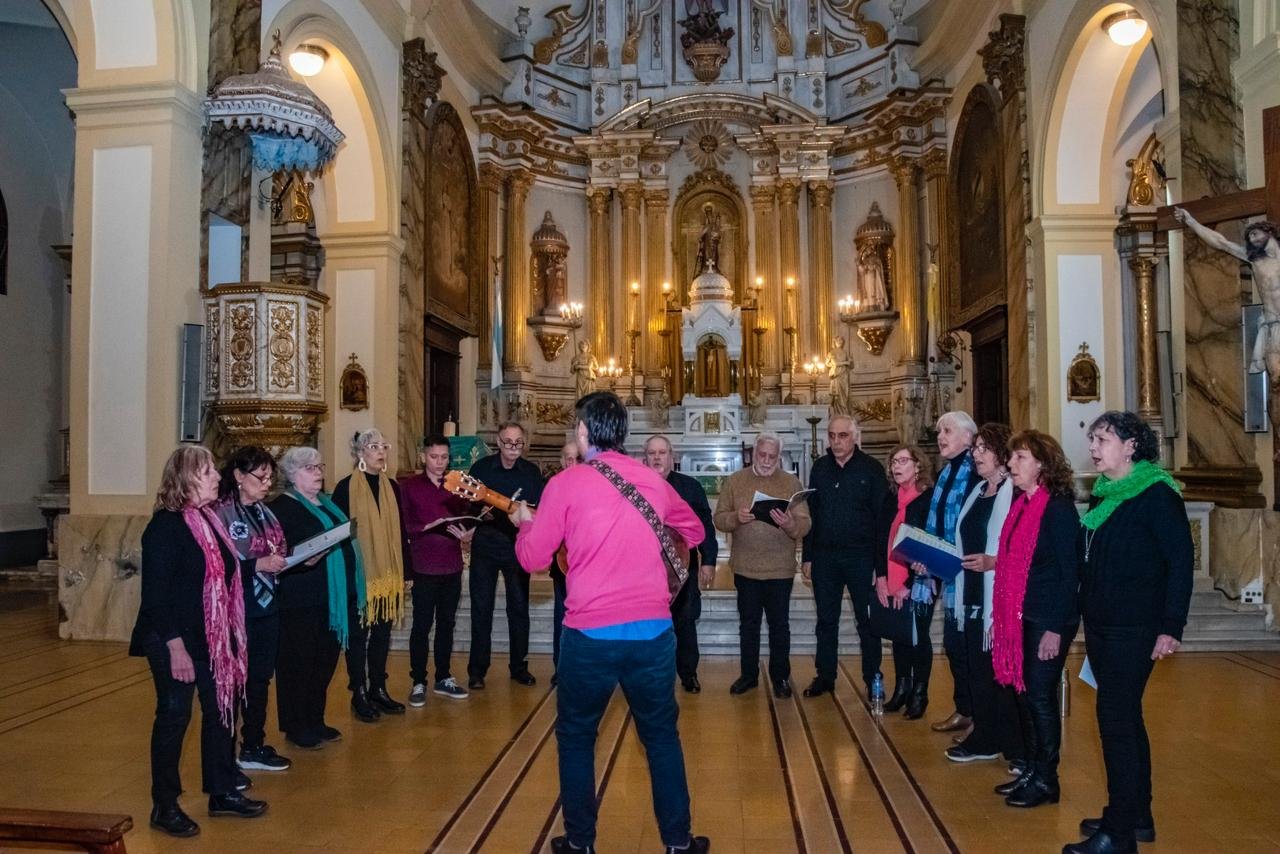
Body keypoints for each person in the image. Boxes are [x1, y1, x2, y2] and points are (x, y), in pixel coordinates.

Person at [510, 391, 709, 854]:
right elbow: (696, 531)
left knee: (577, 737)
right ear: (623, 433)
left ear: (583, 432)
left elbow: (533, 558)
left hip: (589, 635)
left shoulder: (565, 483)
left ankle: (580, 842)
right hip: (653, 633)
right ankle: (678, 842)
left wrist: (524, 523)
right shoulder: (653, 481)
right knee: (661, 738)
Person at [1063, 412, 1193, 854]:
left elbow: (1180, 563)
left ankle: (1119, 834)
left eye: (1102, 439)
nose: (1094, 448)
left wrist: (1171, 626)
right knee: (1126, 721)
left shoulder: (1157, 495)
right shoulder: (1106, 495)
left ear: (1131, 445)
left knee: (1116, 724)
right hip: (1103, 625)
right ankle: (1135, 815)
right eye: (1093, 440)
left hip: (1134, 628)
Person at [130, 446, 267, 838]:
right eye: (208, 471)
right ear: (186, 479)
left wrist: (260, 566)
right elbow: (155, 597)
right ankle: (165, 804)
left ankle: (222, 791)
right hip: (171, 636)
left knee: (221, 710)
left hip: (210, 635)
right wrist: (176, 648)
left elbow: (224, 571)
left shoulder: (209, 520)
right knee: (174, 716)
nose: (217, 476)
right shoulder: (165, 527)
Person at [991, 430, 1080, 809]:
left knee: (1040, 698)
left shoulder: (1058, 510)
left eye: (1020, 458)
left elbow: (1070, 575)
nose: (1011, 463)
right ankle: (1031, 768)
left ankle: (1047, 779)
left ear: (1042, 464)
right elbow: (1010, 564)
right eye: (1012, 457)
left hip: (1048, 618)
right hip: (1021, 615)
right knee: (1024, 694)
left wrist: (1055, 629)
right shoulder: (1022, 504)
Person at [270, 447, 361, 750]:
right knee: (298, 663)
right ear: (292, 474)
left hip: (331, 599)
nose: (318, 473)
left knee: (324, 661)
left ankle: (315, 718)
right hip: (300, 599)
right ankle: (296, 724)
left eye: (319, 466)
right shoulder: (282, 507)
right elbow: (279, 552)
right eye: (309, 468)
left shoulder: (326, 503)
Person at [801, 414, 894, 699]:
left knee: (867, 622)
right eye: (832, 436)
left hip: (861, 557)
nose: (836, 441)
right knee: (826, 621)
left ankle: (873, 677)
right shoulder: (820, 468)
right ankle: (825, 676)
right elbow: (812, 513)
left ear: (855, 437)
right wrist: (808, 556)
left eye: (842, 435)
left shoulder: (871, 469)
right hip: (825, 557)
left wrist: (880, 566)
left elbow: (881, 520)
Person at [715, 432, 811, 697]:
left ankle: (780, 678)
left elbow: (805, 523)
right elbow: (719, 518)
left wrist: (789, 523)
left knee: (779, 626)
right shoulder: (736, 481)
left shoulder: (791, 482)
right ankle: (748, 675)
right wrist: (736, 518)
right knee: (749, 625)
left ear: (779, 457)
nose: (767, 460)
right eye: (762, 455)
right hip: (745, 567)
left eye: (772, 456)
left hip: (780, 569)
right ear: (753, 453)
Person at [212, 447, 290, 774]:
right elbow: (216, 565)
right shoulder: (220, 513)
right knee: (234, 683)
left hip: (266, 606)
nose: (267, 484)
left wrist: (294, 559)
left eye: (271, 478)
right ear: (239, 476)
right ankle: (224, 755)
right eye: (261, 477)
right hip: (236, 609)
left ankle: (253, 744)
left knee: (260, 679)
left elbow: (277, 548)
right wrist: (257, 565)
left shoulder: (264, 512)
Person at [944, 423, 1018, 764]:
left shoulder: (1012, 491)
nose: (976, 454)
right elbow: (963, 539)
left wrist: (993, 562)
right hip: (971, 593)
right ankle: (985, 736)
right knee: (977, 671)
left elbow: (1021, 548)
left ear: (1002, 453)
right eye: (975, 448)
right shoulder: (977, 491)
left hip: (998, 595)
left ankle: (1008, 742)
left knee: (998, 676)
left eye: (984, 448)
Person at [333, 428, 408, 719]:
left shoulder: (392, 487)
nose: (381, 452)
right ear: (360, 452)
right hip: (359, 574)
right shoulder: (345, 488)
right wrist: (349, 573)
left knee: (381, 633)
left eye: (383, 446)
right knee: (358, 634)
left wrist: (406, 571)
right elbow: (340, 535)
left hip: (387, 575)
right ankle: (359, 692)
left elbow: (400, 531)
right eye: (374, 446)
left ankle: (378, 687)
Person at [467, 421, 545, 689]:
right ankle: (477, 670)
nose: (513, 447)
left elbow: (538, 509)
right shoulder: (480, 469)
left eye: (518, 442)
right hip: (486, 545)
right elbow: (467, 505)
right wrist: (479, 513)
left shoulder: (531, 472)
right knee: (481, 608)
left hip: (517, 547)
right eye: (508, 442)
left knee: (519, 609)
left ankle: (519, 667)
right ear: (498, 443)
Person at [917, 411, 983, 727]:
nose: (940, 436)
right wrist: (927, 559)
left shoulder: (977, 474)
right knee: (954, 646)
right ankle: (965, 709)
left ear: (968, 437)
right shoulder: (945, 473)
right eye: (939, 431)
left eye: (947, 430)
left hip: (972, 573)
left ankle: (979, 715)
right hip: (949, 570)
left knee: (969, 648)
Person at [400, 435, 473, 707]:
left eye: (444, 457)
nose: (439, 462)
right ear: (423, 457)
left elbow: (468, 516)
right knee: (421, 625)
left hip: (451, 564)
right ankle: (418, 680)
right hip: (423, 565)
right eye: (434, 457)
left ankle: (443, 677)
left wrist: (467, 532)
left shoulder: (457, 485)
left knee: (446, 623)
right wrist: (426, 527)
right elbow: (403, 525)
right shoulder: (409, 486)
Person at [645, 434, 719, 694]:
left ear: (672, 457)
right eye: (652, 453)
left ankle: (688, 674)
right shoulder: (636, 486)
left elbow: (705, 525)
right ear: (645, 458)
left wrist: (709, 560)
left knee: (685, 620)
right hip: (646, 567)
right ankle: (652, 675)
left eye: (662, 452)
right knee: (650, 622)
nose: (657, 457)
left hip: (683, 565)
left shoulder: (690, 487)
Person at [877, 444, 932, 713]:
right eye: (893, 462)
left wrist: (908, 585)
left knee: (918, 635)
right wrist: (881, 577)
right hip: (891, 574)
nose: (896, 466)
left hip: (920, 580)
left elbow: (929, 544)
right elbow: (880, 539)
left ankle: (920, 693)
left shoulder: (927, 498)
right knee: (899, 634)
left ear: (917, 465)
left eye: (902, 461)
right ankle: (902, 688)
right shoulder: (890, 497)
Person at [550, 438, 581, 681]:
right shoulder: (553, 487)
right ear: (561, 461)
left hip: (588, 564)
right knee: (562, 616)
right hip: (562, 564)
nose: (572, 463)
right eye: (567, 458)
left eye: (576, 458)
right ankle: (561, 668)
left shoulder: (593, 485)